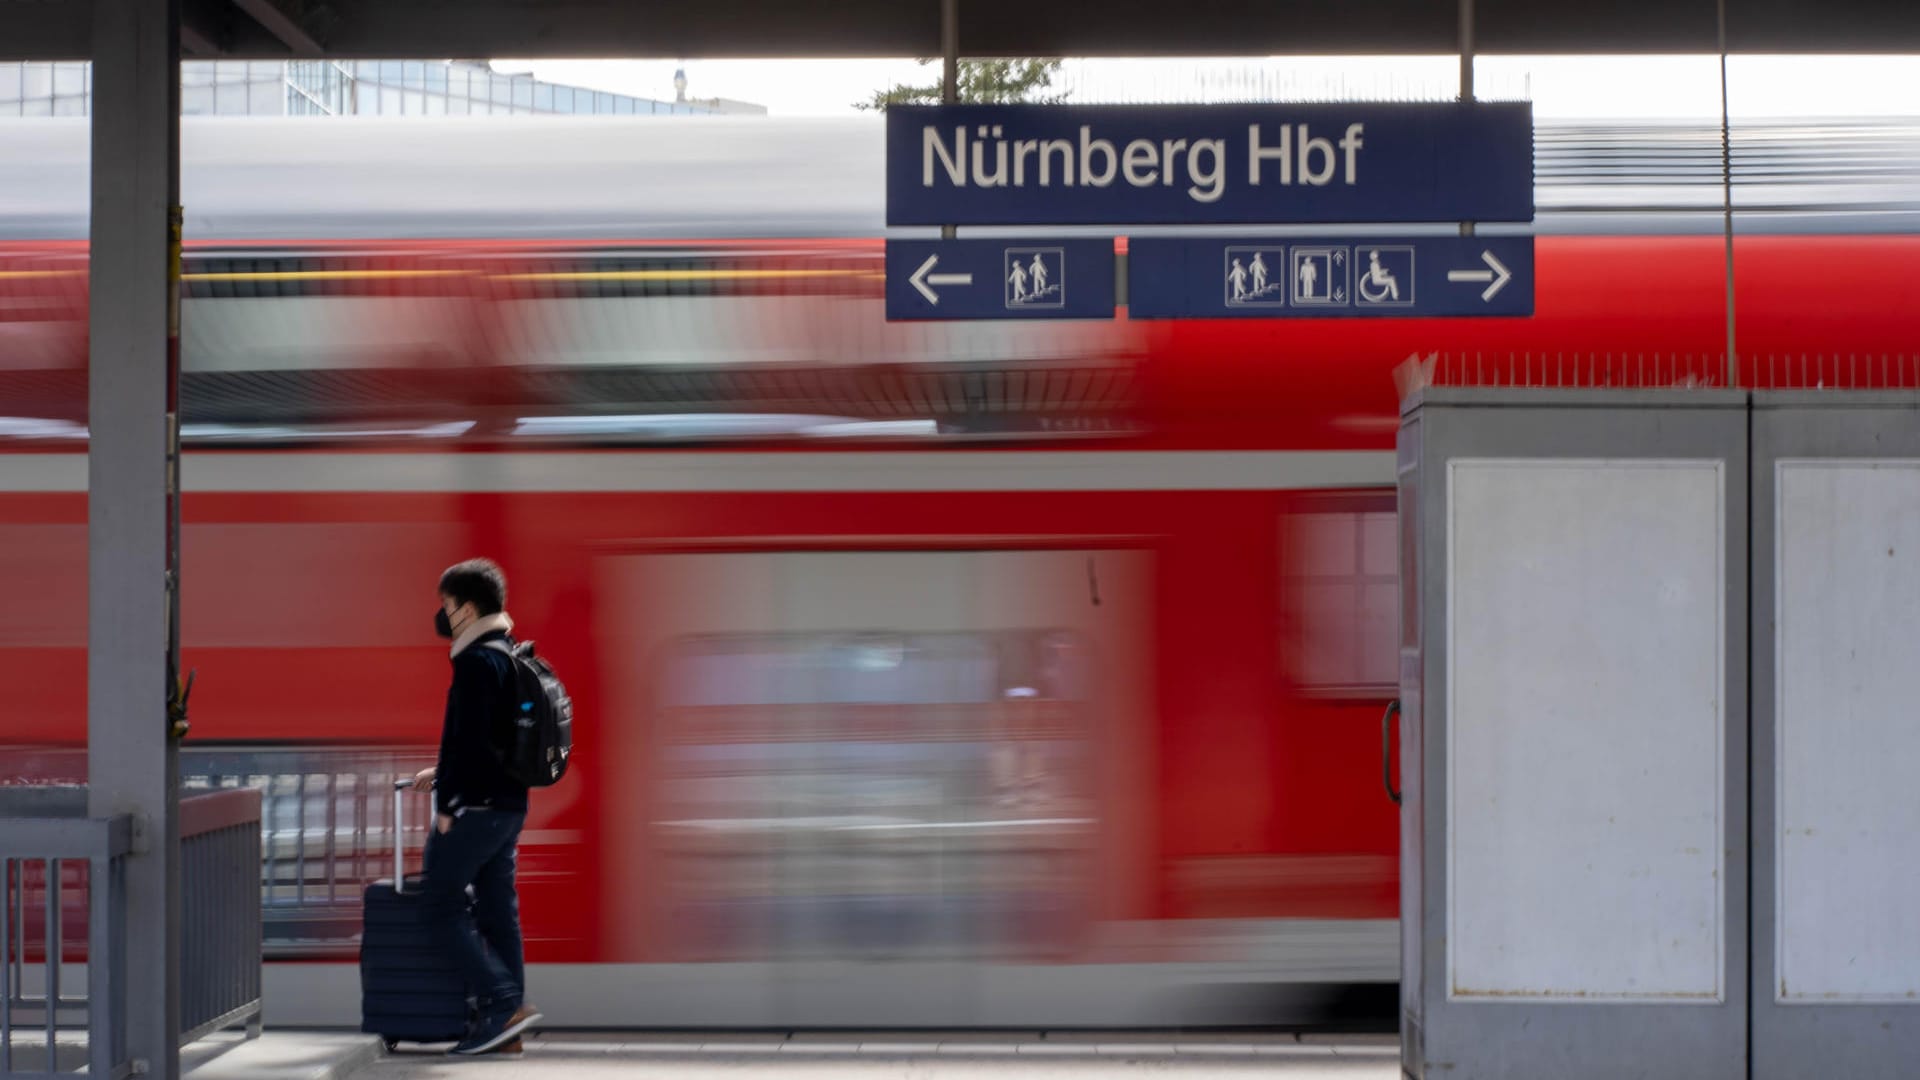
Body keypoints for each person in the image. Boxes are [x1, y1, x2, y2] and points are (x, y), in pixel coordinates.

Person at [410, 558, 543, 1056]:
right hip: (509, 807)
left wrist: (449, 804)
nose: (442, 615)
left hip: (477, 808)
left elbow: (465, 741)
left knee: (438, 905)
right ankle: (509, 1028)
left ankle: (502, 1001)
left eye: (446, 605)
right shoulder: (506, 653)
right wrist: (442, 773)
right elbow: (493, 741)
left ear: (466, 609)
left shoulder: (472, 661)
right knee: (496, 912)